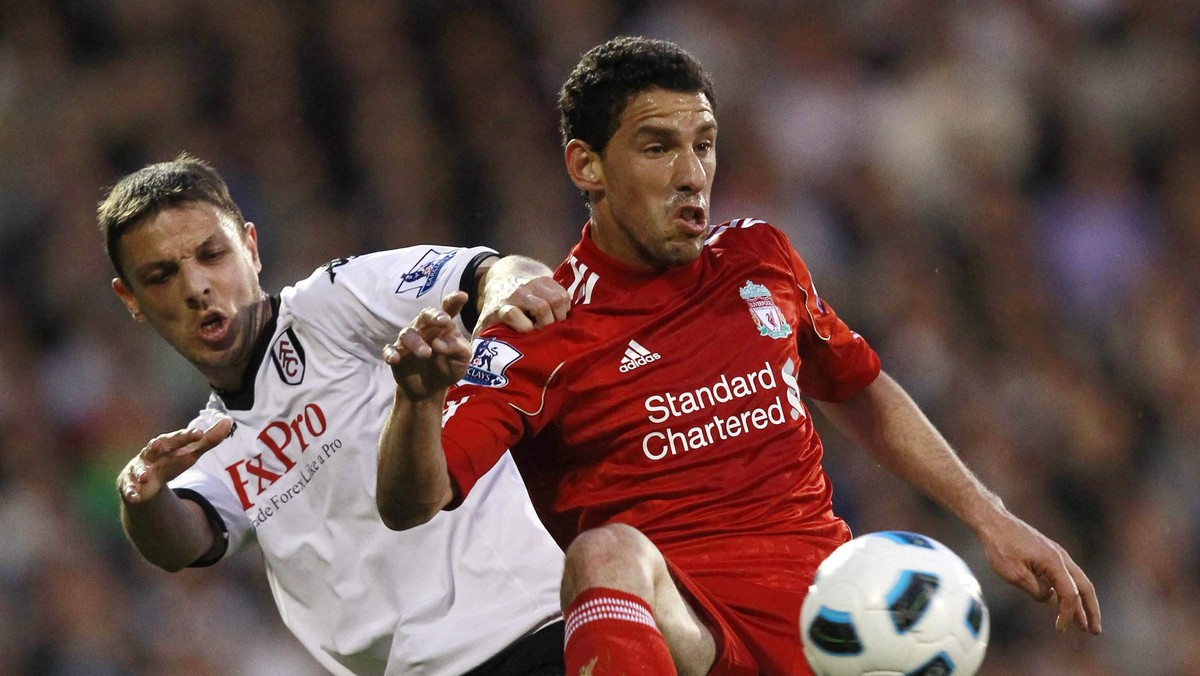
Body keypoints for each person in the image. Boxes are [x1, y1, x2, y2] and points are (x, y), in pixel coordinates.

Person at [376, 37, 1102, 675]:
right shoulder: (542, 326)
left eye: (705, 142)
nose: (693, 173)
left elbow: (857, 385)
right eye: (659, 146)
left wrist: (989, 515)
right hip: (698, 641)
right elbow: (411, 501)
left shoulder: (760, 259)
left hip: (833, 626)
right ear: (586, 166)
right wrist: (416, 400)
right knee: (606, 555)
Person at [105, 153, 572, 676]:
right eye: (162, 275)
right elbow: (181, 542)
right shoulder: (212, 443)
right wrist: (142, 498)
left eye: (211, 254)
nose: (195, 288)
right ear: (132, 299)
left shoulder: (330, 304)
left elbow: (493, 271)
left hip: (533, 637)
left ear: (251, 247)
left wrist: (508, 291)